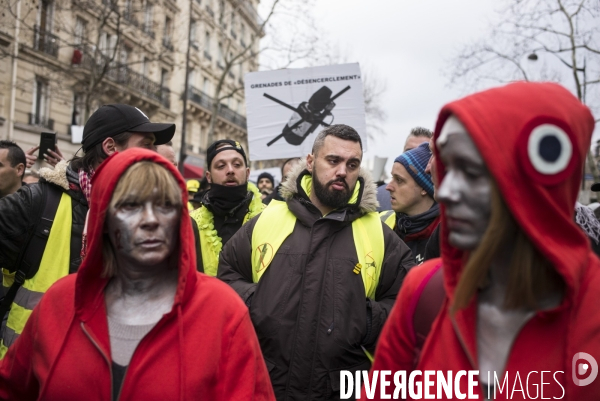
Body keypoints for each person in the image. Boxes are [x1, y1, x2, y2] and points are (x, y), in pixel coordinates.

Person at [364, 82, 600, 399]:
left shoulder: (591, 311)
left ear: (531, 185)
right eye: (449, 169)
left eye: (471, 172)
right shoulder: (423, 290)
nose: (446, 191)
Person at [0, 148, 275, 400]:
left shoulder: (222, 310)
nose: (151, 220)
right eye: (131, 205)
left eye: (166, 205)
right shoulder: (59, 302)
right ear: (103, 219)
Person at [218, 124, 415, 400]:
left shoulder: (378, 233)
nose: (342, 171)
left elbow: (407, 303)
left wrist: (366, 321)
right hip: (268, 385)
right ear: (310, 162)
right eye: (333, 160)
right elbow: (226, 276)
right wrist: (257, 303)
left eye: (352, 163)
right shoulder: (269, 219)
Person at [0, 104, 175, 357]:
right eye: (146, 144)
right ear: (111, 147)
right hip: (33, 373)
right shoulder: (38, 203)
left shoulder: (153, 215)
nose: (154, 155)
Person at [190, 139, 264, 276]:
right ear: (209, 176)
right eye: (220, 166)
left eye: (237, 164)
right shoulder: (191, 223)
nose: (230, 170)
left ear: (247, 173)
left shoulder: (268, 217)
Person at [380, 142, 440, 265]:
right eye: (392, 178)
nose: (389, 187)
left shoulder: (446, 232)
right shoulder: (381, 223)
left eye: (399, 180)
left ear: (424, 188)